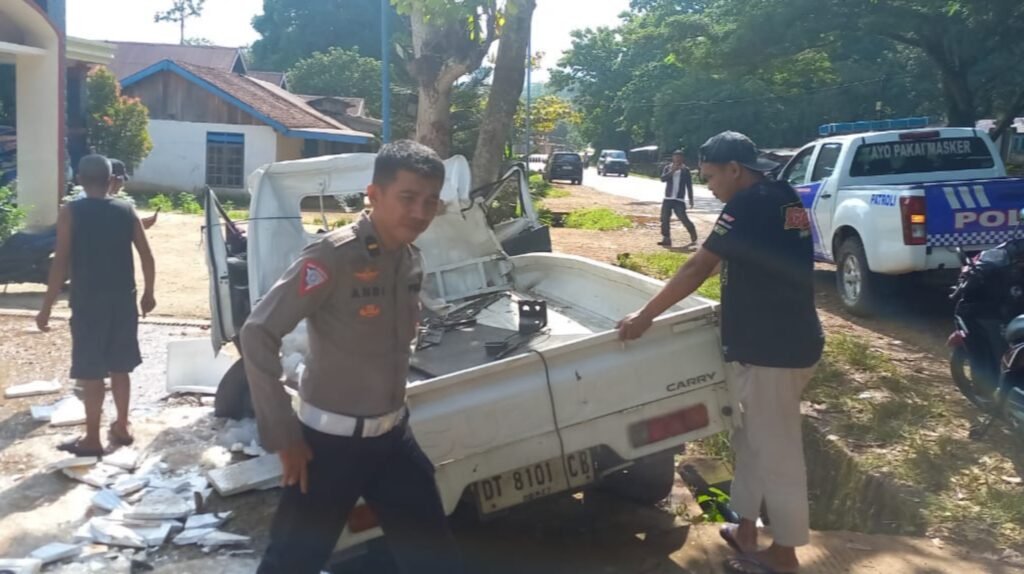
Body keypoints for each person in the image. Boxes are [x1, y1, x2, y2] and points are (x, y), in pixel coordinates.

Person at [240, 140, 464, 574]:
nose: (420, 213)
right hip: (327, 448)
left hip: (392, 439)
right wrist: (283, 435)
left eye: (430, 201)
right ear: (374, 195)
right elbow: (258, 332)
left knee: (435, 559)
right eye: (407, 198)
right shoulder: (332, 257)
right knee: (291, 563)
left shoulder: (409, 258)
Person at [618, 131, 824, 574]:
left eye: (711, 177)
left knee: (778, 449)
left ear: (735, 169)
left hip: (775, 351)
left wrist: (646, 315)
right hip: (775, 342)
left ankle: (785, 554)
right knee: (750, 441)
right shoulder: (779, 195)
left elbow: (699, 265)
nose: (708, 185)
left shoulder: (749, 203)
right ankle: (746, 529)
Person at [37, 154, 157, 456]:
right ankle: (123, 424)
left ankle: (92, 438)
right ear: (111, 181)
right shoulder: (125, 209)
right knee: (121, 364)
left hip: (88, 303)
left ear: (79, 179)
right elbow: (147, 256)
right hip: (123, 300)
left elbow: (61, 262)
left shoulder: (71, 212)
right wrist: (149, 293)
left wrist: (47, 306)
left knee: (91, 370)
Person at [658, 149, 697, 247]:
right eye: (676, 157)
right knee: (664, 218)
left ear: (682, 159)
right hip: (668, 198)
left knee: (683, 218)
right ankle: (666, 238)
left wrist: (691, 199)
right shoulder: (668, 167)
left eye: (679, 157)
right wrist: (672, 171)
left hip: (679, 199)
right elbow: (662, 179)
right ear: (673, 158)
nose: (677, 159)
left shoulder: (685, 170)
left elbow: (689, 186)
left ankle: (692, 232)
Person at [109, 159, 158, 230]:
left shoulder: (90, 200)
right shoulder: (118, 207)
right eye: (121, 180)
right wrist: (138, 227)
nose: (122, 184)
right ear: (113, 179)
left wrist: (138, 225)